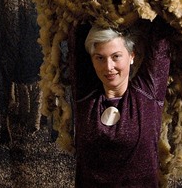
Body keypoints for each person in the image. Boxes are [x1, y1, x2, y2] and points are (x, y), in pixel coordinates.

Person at [68, 21, 171, 187]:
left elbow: (160, 33)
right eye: (100, 58)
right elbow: (78, 22)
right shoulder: (85, 95)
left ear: (131, 55)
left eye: (116, 56)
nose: (108, 67)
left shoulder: (148, 93)